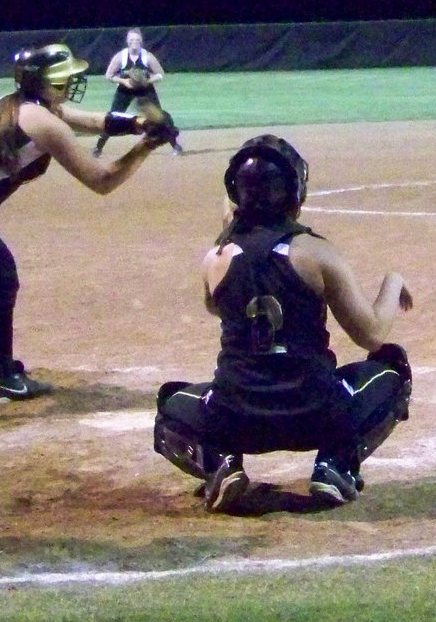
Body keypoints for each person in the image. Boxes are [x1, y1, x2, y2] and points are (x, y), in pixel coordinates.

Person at [153, 135, 413, 512]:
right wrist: (393, 280)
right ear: (295, 193)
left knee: (171, 403)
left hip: (235, 417)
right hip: (315, 414)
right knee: (391, 367)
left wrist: (232, 231)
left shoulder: (215, 259)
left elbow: (217, 306)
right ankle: (335, 464)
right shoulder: (316, 252)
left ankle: (220, 462)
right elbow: (371, 334)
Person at [0, 43, 179, 402]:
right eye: (67, 78)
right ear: (51, 83)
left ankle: (3, 376)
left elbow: (93, 121)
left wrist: (139, 123)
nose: (73, 82)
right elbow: (101, 181)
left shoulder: (25, 105)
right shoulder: (42, 122)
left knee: (2, 275)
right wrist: (146, 146)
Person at [92, 28, 184, 156]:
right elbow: (109, 75)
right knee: (113, 117)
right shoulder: (121, 57)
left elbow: (160, 74)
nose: (134, 42)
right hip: (125, 89)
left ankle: (176, 146)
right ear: (127, 41)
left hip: (145, 89)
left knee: (158, 117)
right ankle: (98, 148)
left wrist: (147, 81)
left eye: (137, 39)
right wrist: (124, 81)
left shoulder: (147, 56)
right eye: (131, 39)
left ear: (141, 41)